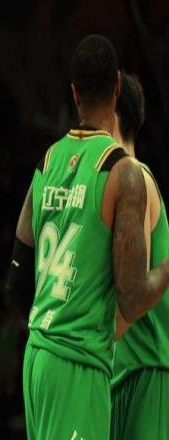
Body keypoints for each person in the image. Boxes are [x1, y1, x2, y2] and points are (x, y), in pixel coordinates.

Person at [4, 34, 169, 439]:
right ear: (117, 86)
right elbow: (132, 298)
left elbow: (16, 283)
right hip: (80, 361)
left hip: (37, 358)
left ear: (74, 93)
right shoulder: (123, 172)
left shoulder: (47, 161)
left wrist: (50, 323)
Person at [110, 72, 169, 440]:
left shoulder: (136, 178)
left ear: (113, 117)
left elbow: (135, 296)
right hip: (120, 369)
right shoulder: (116, 186)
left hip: (148, 367)